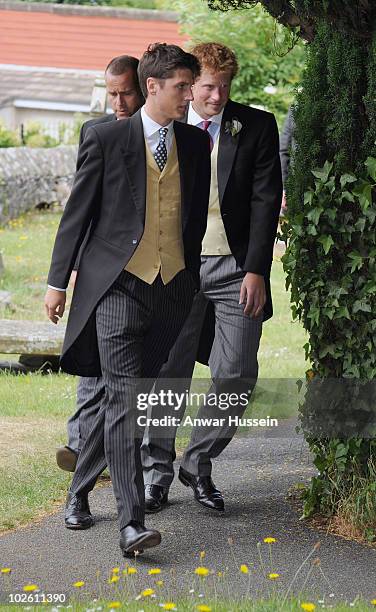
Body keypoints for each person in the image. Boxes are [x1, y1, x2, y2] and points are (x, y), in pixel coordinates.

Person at [44, 42, 210, 556]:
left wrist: (188, 277)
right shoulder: (106, 138)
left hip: (173, 289)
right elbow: (80, 213)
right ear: (153, 87)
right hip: (117, 285)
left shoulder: (196, 143)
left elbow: (193, 222)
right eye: (182, 87)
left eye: (192, 85)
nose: (191, 96)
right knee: (122, 396)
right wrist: (57, 282)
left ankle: (77, 490)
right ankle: (131, 525)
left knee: (130, 399)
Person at [141, 42, 282, 514]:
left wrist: (257, 269)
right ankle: (154, 473)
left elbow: (266, 202)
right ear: (188, 83)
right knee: (168, 372)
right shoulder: (166, 124)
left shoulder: (257, 126)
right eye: (206, 87)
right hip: (177, 267)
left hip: (236, 267)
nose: (216, 97)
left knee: (237, 374)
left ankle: (198, 461)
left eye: (224, 87)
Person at [56, 54, 144, 472]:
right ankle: (78, 444)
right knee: (91, 359)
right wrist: (65, 275)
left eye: (125, 92)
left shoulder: (165, 135)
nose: (118, 102)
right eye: (111, 93)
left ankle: (111, 449)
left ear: (143, 87)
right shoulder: (95, 131)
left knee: (125, 372)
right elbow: (81, 208)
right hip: (98, 267)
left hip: (144, 269)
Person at [279, 105, 295, 213]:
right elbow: (283, 151)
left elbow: (283, 151)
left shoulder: (297, 106)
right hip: (296, 186)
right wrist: (284, 189)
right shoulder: (296, 107)